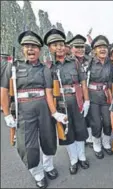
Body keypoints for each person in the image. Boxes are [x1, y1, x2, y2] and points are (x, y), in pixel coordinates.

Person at [1, 30, 63, 188]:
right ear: (22, 49)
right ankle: (38, 173)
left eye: (34, 46)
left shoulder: (45, 69)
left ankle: (48, 166)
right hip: (23, 112)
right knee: (28, 146)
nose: (31, 49)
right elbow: (4, 92)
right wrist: (7, 114)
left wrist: (54, 113)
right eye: (27, 46)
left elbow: (49, 93)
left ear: (39, 50)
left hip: (44, 110)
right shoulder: (13, 67)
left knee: (48, 140)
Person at [44, 29, 90, 175]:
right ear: (50, 48)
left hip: (77, 101)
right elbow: (49, 92)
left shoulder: (74, 62)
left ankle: (82, 157)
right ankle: (74, 160)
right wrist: (54, 112)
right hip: (61, 104)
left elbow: (83, 83)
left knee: (80, 130)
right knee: (67, 132)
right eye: (55, 45)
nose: (59, 47)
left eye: (61, 44)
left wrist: (87, 100)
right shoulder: (48, 67)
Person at [87, 35, 113, 159]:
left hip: (106, 96)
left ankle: (106, 143)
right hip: (93, 97)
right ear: (94, 50)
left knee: (108, 122)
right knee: (96, 123)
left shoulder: (110, 63)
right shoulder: (90, 62)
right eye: (99, 47)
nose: (102, 50)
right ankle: (97, 144)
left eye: (104, 47)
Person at [67, 34, 94, 147]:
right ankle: (80, 138)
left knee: (90, 115)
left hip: (90, 92)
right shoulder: (68, 62)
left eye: (82, 47)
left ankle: (89, 138)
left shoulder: (91, 60)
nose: (80, 50)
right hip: (76, 94)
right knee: (79, 117)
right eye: (76, 47)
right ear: (71, 48)